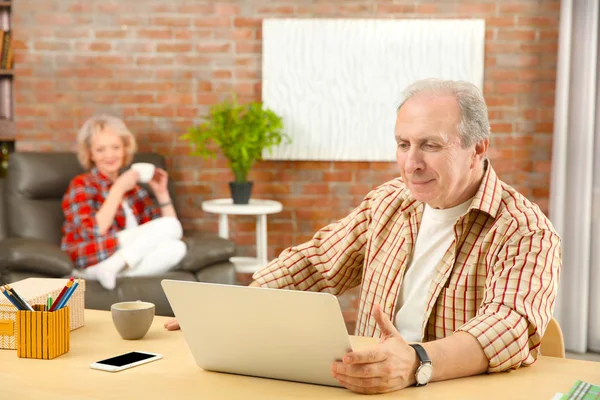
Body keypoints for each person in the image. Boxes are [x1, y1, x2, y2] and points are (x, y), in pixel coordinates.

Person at [164, 79, 561, 394]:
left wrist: (416, 362)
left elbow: (509, 326)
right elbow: (318, 263)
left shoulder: (525, 230)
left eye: (430, 146)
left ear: (477, 149)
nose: (411, 163)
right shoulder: (389, 201)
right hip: (369, 386)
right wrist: (230, 306)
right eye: (403, 145)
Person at [61, 114, 187, 290]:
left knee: (177, 248)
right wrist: (118, 189)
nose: (110, 155)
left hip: (122, 261)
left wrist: (162, 193)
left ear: (125, 149)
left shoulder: (135, 190)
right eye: (101, 150)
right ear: (90, 154)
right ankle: (109, 267)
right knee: (171, 226)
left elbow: (166, 231)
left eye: (115, 147)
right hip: (94, 254)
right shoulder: (82, 184)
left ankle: (113, 270)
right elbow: (93, 232)